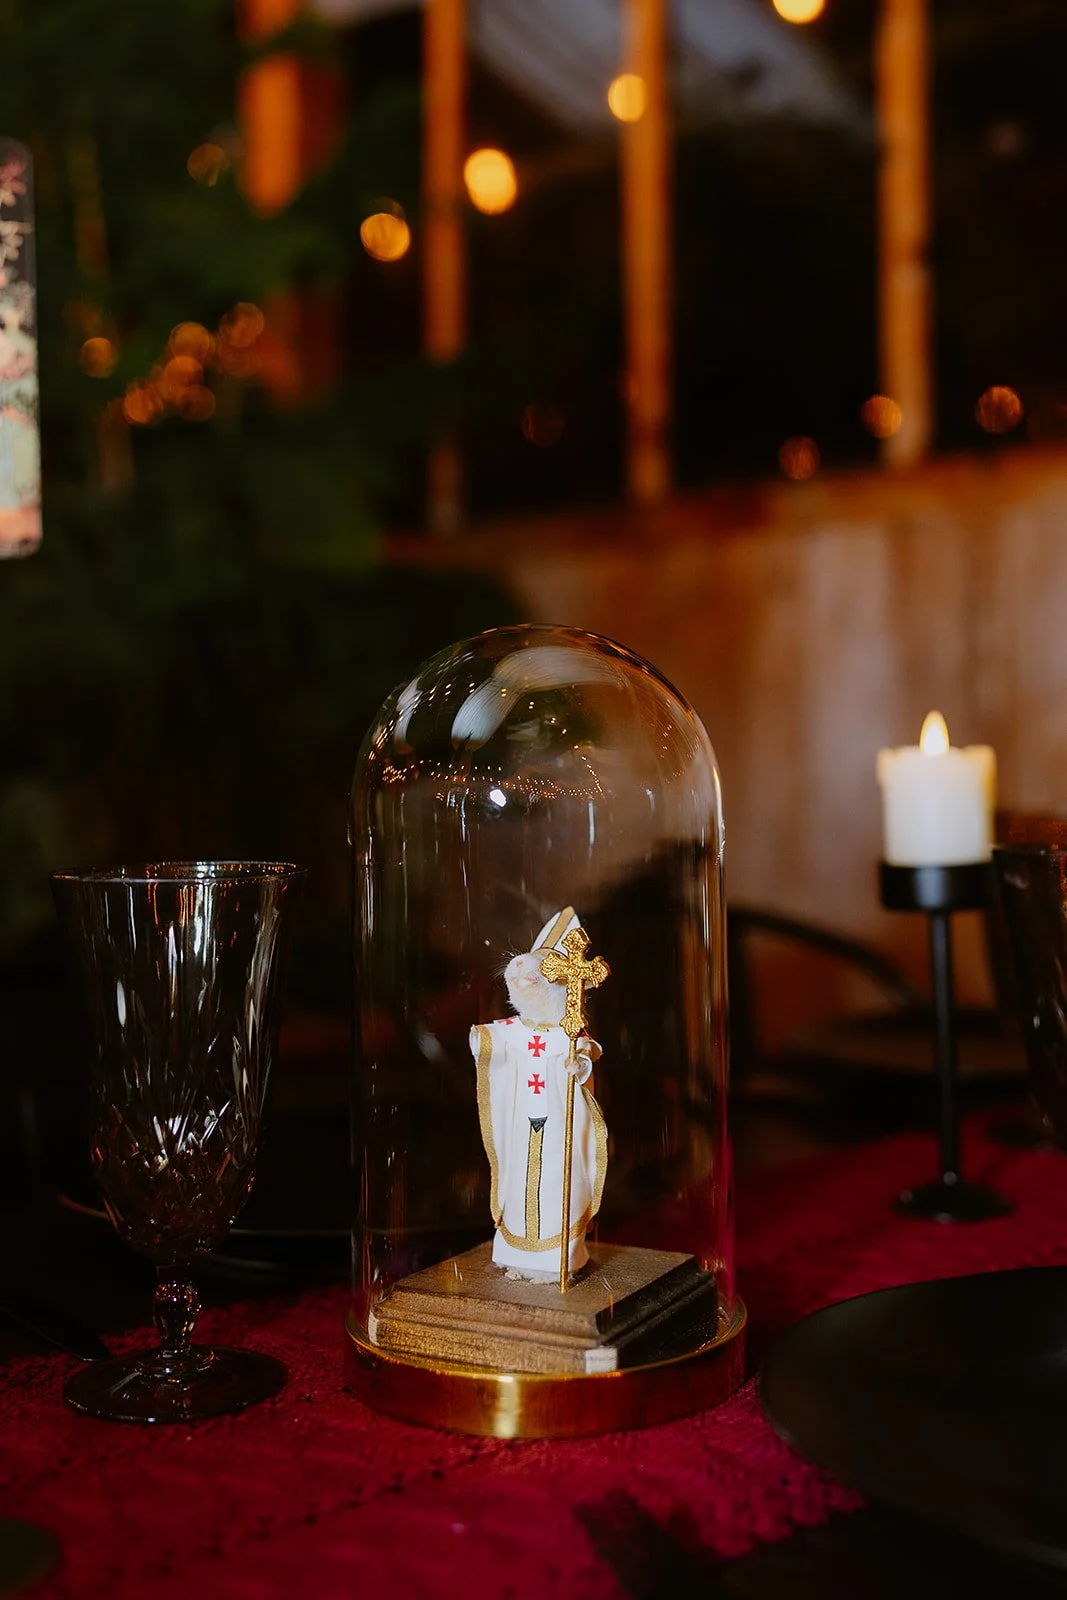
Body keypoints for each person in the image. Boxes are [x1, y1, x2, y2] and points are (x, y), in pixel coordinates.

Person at [470, 907, 607, 1280]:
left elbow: (587, 1054)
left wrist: (579, 1065)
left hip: (559, 1123)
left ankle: (556, 1259)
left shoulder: (570, 1033)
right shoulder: (512, 1029)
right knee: (519, 1183)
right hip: (521, 1123)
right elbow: (489, 1042)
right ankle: (515, 1253)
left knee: (558, 1185)